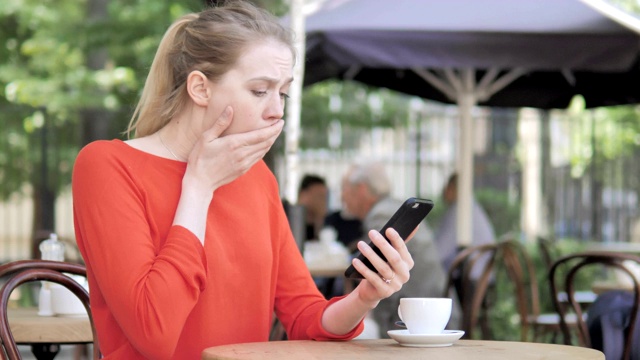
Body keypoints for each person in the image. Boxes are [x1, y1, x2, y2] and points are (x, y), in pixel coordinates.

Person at [71, 2, 416, 359]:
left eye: (281, 92)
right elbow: (154, 334)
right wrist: (199, 187)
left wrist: (364, 296)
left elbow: (303, 315)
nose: (276, 110)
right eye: (259, 90)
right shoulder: (107, 166)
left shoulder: (257, 178)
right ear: (200, 89)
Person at [340, 161, 460, 338]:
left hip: (418, 318)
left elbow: (375, 272)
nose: (343, 197)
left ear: (362, 189)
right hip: (438, 309)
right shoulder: (393, 208)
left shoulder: (380, 215)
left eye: (345, 189)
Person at [434, 173, 497, 280]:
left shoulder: (459, 210)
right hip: (483, 277)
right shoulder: (472, 206)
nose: (444, 191)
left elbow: (438, 252)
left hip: (470, 279)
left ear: (453, 188)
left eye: (447, 186)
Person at [296, 174, 329, 240]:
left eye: (324, 197)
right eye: (319, 196)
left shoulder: (327, 222)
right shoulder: (290, 219)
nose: (322, 201)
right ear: (303, 195)